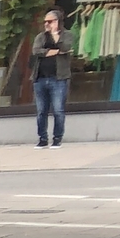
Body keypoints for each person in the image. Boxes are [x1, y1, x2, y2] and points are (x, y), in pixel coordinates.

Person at [31, 9, 70, 147]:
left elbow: (66, 47)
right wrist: (54, 52)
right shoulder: (41, 36)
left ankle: (57, 139)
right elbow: (36, 51)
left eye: (50, 21)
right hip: (40, 78)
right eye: (45, 21)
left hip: (58, 79)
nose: (46, 24)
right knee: (41, 111)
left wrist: (55, 36)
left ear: (58, 21)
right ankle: (42, 139)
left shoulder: (67, 35)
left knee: (58, 110)